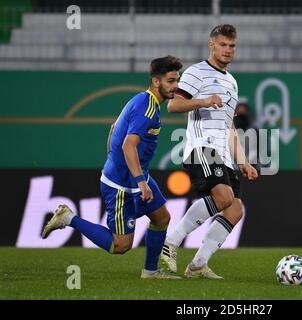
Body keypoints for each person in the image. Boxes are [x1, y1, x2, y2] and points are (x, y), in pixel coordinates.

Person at [41, 56, 183, 280]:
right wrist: (140, 182)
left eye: (177, 80)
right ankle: (68, 218)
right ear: (156, 82)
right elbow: (128, 145)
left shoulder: (142, 101)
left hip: (136, 178)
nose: (176, 86)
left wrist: (116, 159)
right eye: (171, 81)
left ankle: (150, 272)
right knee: (121, 246)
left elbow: (114, 127)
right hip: (122, 186)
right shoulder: (147, 108)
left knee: (161, 217)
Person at [161, 24, 258, 279]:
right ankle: (171, 241)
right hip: (201, 146)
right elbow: (173, 104)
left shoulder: (232, 83)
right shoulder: (196, 72)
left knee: (235, 209)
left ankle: (198, 265)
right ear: (211, 44)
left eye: (232, 46)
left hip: (224, 153)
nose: (227, 50)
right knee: (224, 198)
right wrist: (203, 100)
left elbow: (229, 126)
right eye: (223, 44)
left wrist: (244, 162)